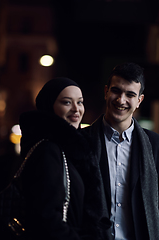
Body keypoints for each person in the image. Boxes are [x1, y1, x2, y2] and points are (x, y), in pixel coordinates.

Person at [82, 62, 159, 240]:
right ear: (106, 92)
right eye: (116, 91)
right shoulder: (82, 140)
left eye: (130, 94)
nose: (121, 100)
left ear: (139, 101)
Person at [19, 77, 104, 239]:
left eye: (80, 102)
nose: (76, 109)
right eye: (66, 102)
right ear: (49, 107)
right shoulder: (48, 151)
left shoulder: (70, 150)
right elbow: (46, 218)